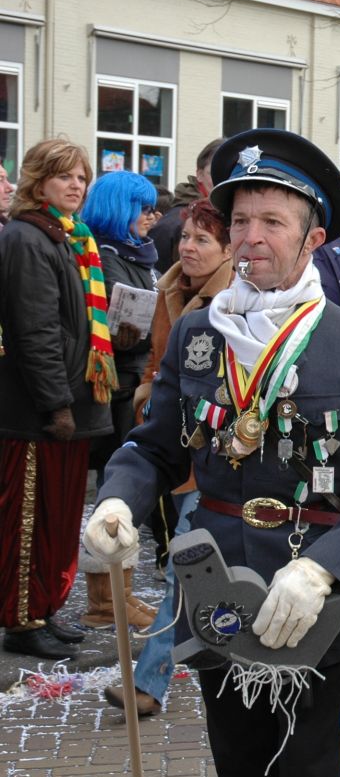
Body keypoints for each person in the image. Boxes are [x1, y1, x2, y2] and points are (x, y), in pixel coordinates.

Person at [82, 129, 340, 777]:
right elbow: (152, 448)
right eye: (240, 221)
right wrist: (117, 503)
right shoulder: (199, 334)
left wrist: (324, 568)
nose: (251, 238)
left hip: (314, 606)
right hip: (218, 597)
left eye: (272, 222)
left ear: (313, 238)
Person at [108, 199, 235, 717]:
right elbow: (158, 362)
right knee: (192, 563)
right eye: (185, 237)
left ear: (227, 250)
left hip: (215, 453)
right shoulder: (169, 289)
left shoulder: (233, 302)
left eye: (203, 239)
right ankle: (222, 645)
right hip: (169, 443)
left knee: (184, 565)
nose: (188, 247)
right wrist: (147, 397)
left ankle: (148, 682)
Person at [0, 138, 110, 659]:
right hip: (36, 411)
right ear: (38, 181)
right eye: (64, 175)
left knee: (58, 519)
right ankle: (21, 619)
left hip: (67, 401)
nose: (76, 185)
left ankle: (43, 608)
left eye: (82, 177)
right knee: (28, 520)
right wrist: (56, 403)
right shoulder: (28, 238)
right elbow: (35, 330)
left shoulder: (69, 236)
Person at [78, 170, 161, 630]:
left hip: (131, 379)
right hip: (116, 387)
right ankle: (106, 601)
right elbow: (110, 326)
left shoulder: (135, 253)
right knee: (114, 493)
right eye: (141, 208)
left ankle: (117, 594)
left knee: (120, 492)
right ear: (118, 209)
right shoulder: (107, 256)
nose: (151, 216)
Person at [149, 138, 223, 272]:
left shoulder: (237, 217)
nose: (223, 180)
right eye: (215, 173)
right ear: (199, 175)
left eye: (231, 173)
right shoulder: (175, 223)